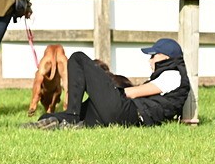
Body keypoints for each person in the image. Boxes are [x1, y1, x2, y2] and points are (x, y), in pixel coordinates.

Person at [25, 39, 191, 129]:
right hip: (123, 116)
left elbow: (132, 93)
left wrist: (105, 89)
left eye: (153, 55)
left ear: (166, 57)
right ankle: (61, 121)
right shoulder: (170, 75)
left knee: (78, 58)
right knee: (48, 117)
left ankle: (71, 117)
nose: (150, 59)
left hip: (128, 113)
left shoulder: (173, 75)